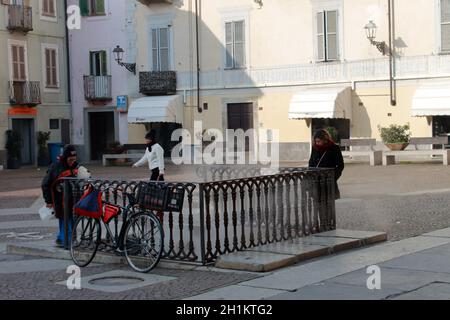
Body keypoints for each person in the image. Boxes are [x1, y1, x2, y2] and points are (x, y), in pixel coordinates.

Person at [41, 145, 79, 248]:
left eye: (74, 159)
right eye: (70, 159)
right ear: (65, 157)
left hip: (73, 201)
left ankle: (61, 238)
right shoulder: (56, 167)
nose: (72, 162)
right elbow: (45, 184)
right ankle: (66, 241)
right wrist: (48, 201)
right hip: (60, 201)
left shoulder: (76, 166)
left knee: (70, 220)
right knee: (65, 221)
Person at [132, 130, 166, 222]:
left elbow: (160, 159)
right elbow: (145, 158)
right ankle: (158, 210)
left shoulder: (157, 147)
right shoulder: (148, 148)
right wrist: (137, 164)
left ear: (151, 139)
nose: (145, 141)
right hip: (153, 171)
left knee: (153, 190)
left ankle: (146, 205)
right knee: (157, 191)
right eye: (145, 139)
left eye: (147, 139)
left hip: (158, 172)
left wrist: (161, 171)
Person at [308, 129, 344, 199]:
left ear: (325, 140)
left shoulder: (334, 148)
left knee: (329, 206)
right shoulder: (315, 148)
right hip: (316, 183)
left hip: (329, 182)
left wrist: (333, 177)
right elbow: (311, 162)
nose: (317, 143)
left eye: (318, 141)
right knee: (317, 205)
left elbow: (340, 165)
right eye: (315, 141)